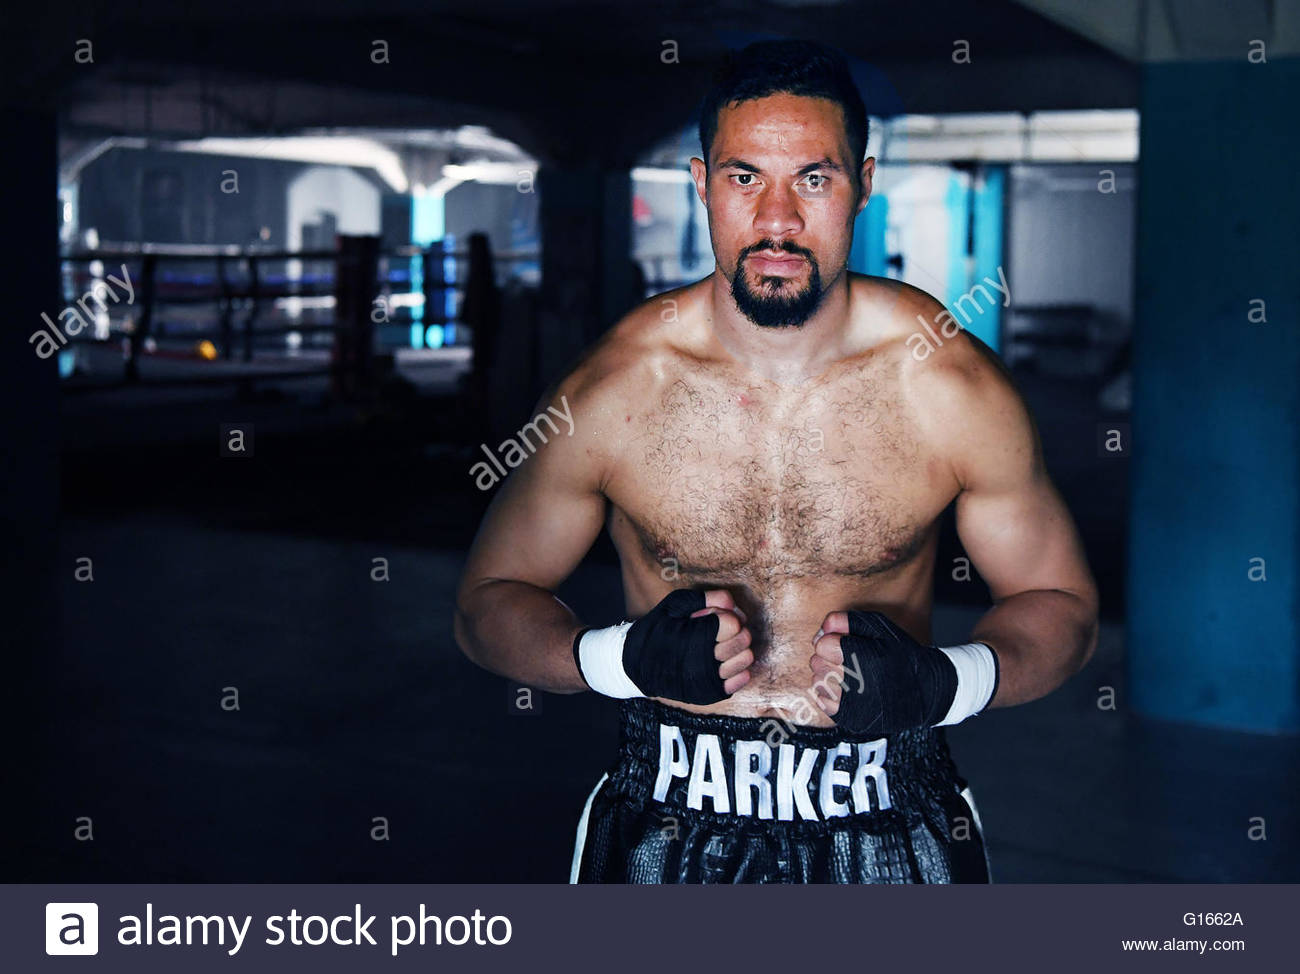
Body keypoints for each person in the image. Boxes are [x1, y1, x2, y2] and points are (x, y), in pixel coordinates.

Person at [454, 39, 1098, 883]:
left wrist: (949, 685)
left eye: (815, 179)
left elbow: (1062, 606)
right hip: (664, 821)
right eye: (745, 176)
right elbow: (484, 606)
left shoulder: (947, 383)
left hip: (889, 815)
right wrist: (612, 660)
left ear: (863, 184)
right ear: (701, 184)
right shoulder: (615, 388)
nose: (778, 220)